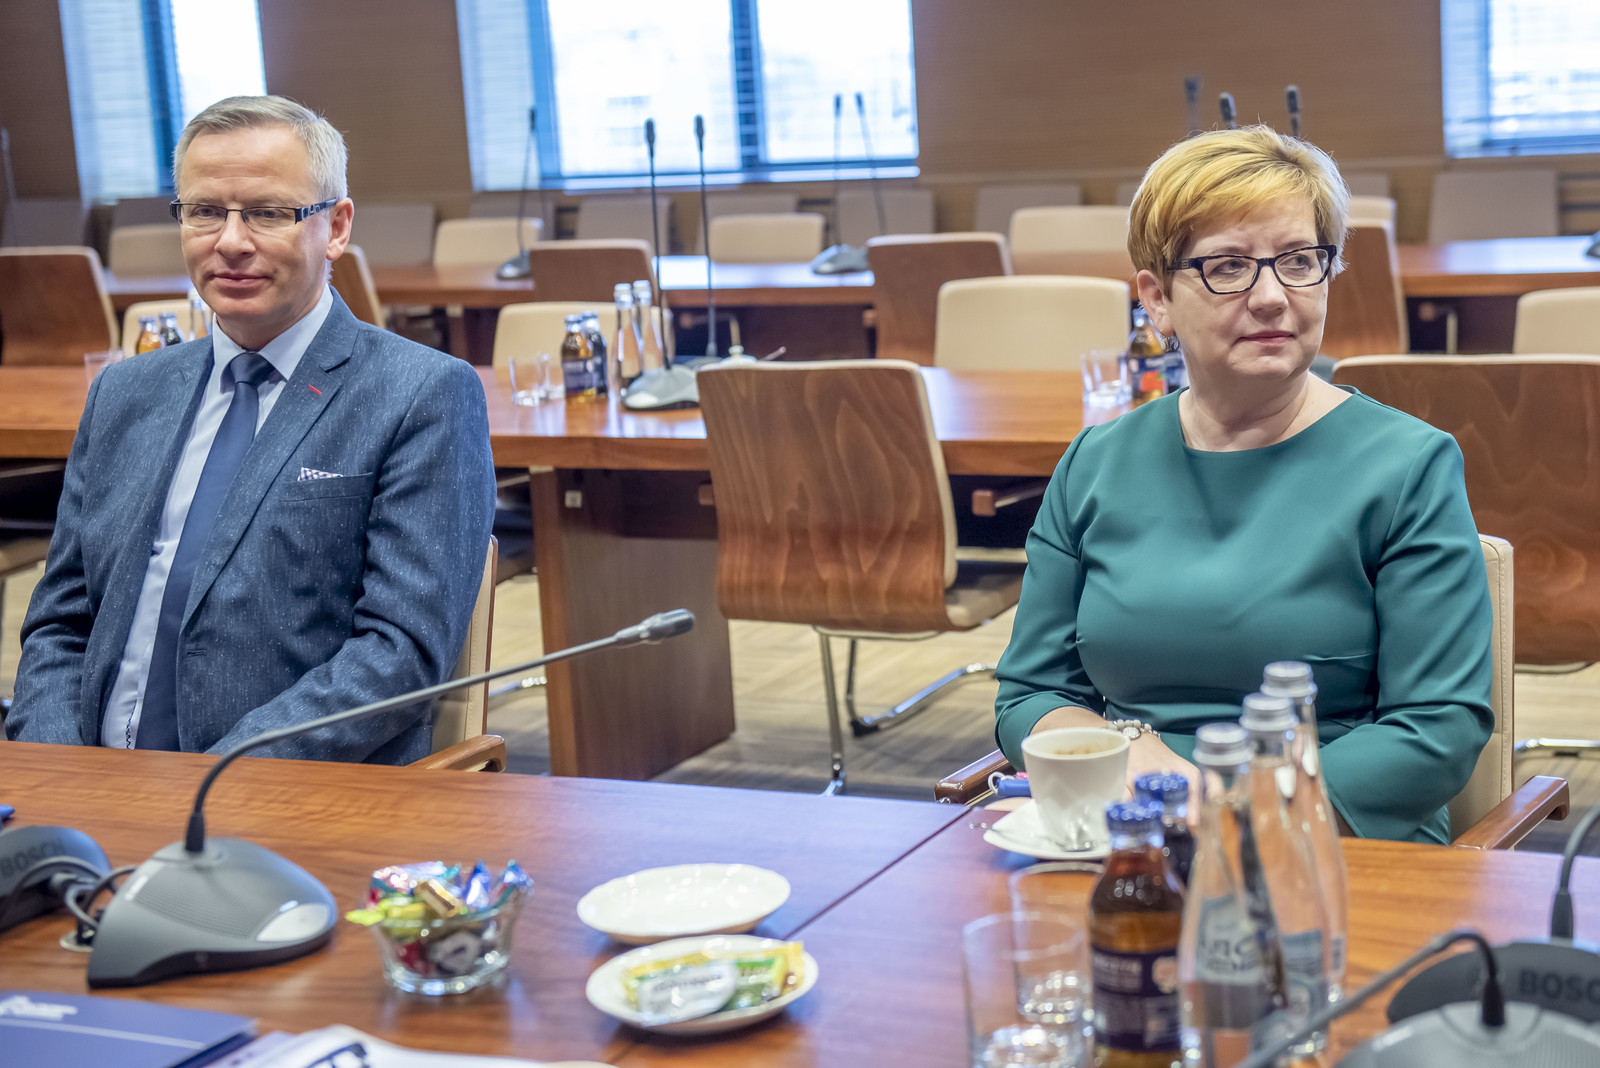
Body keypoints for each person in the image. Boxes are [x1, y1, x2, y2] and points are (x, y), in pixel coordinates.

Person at [993, 125, 1491, 844]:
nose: (1271, 297)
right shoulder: (1095, 462)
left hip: (1329, 837)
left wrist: (1228, 810)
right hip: (1131, 833)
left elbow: (1436, 730)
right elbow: (1030, 694)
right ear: (1157, 300)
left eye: (1299, 261)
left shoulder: (1409, 465)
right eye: (1228, 267)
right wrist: (1124, 748)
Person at [6, 95, 495, 763]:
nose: (231, 242)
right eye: (205, 211)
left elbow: (399, 654)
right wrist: (59, 767)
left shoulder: (420, 395)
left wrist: (218, 784)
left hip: (281, 796)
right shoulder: (124, 393)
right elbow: (61, 625)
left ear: (337, 226)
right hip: (89, 789)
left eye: (268, 213)